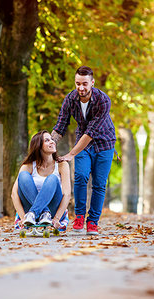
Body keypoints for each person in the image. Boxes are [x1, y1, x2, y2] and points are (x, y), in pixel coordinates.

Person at [51, 66, 116, 235]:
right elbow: (61, 125)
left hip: (105, 143)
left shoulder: (103, 100)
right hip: (83, 144)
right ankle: (79, 216)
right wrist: (48, 145)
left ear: (92, 83)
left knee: (99, 185)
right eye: (77, 83)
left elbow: (91, 132)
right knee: (80, 176)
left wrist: (71, 154)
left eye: (85, 84)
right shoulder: (70, 99)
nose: (81, 88)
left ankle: (93, 222)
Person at [11, 130, 70, 230]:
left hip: (52, 209)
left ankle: (36, 213)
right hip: (29, 208)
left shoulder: (62, 165)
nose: (52, 142)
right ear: (38, 146)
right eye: (47, 140)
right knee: (23, 175)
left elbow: (67, 194)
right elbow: (14, 194)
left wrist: (56, 218)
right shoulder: (28, 166)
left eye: (52, 139)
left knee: (52, 178)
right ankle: (39, 213)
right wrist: (22, 217)